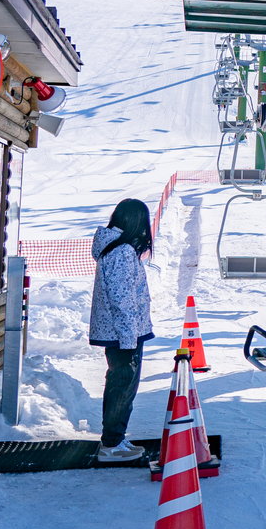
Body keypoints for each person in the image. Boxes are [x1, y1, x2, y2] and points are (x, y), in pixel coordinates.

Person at [89, 198, 155, 463]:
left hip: (122, 332)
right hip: (122, 334)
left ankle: (116, 438)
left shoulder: (117, 248)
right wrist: (129, 338)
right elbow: (122, 297)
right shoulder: (121, 251)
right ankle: (112, 443)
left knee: (123, 385)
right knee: (122, 386)